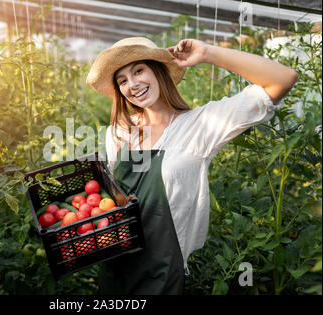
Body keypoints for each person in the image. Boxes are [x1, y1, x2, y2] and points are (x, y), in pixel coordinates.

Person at [86, 37, 298, 295]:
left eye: (139, 70)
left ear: (158, 70)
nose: (133, 84)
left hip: (163, 273)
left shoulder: (201, 125)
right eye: (122, 80)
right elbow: (111, 202)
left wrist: (208, 53)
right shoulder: (119, 132)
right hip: (115, 269)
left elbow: (283, 79)